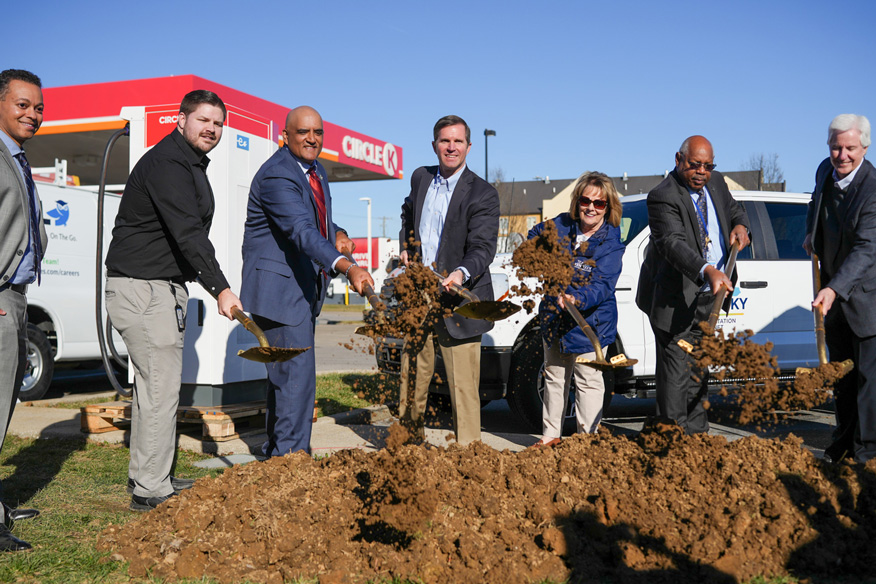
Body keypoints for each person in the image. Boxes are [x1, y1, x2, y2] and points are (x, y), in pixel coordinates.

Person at [105, 90, 243, 512]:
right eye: (203, 120)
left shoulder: (185, 162)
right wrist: (220, 287)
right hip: (144, 288)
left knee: (156, 390)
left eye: (218, 123)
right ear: (180, 119)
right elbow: (188, 233)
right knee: (161, 391)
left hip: (155, 288)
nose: (212, 129)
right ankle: (150, 488)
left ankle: (150, 475)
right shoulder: (168, 163)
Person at [241, 106, 372, 457]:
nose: (311, 138)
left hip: (298, 293)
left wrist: (339, 232)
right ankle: (292, 464)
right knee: (296, 381)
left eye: (317, 132)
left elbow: (315, 221)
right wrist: (347, 267)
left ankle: (277, 454)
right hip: (280, 294)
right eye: (302, 132)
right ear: (285, 136)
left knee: (285, 380)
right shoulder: (278, 175)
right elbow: (300, 231)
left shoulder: (315, 171)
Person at [635, 135, 750, 434]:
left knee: (699, 368)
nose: (702, 172)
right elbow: (672, 244)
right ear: (678, 159)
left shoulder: (717, 182)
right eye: (695, 165)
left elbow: (734, 210)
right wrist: (707, 270)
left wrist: (741, 225)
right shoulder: (663, 196)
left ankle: (697, 439)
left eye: (708, 166)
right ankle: (671, 441)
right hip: (673, 298)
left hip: (707, 300)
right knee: (675, 373)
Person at [397, 115, 500, 446]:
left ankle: (469, 455)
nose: (451, 147)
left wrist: (460, 272)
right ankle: (408, 447)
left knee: (463, 386)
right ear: (434, 145)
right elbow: (406, 214)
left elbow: (483, 248)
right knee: (411, 377)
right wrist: (406, 246)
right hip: (418, 294)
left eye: (458, 141)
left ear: (468, 146)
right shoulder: (420, 178)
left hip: (458, 297)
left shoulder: (483, 193)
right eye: (445, 141)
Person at [527, 172, 624, 446]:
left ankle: (586, 444)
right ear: (577, 201)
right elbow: (534, 235)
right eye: (585, 200)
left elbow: (603, 285)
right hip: (555, 318)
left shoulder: (610, 244)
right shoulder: (563, 225)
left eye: (599, 203)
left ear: (608, 206)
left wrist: (576, 298)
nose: (591, 208)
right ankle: (550, 438)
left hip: (588, 323)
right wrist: (542, 256)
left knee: (588, 382)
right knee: (555, 377)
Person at [803, 114, 876, 464]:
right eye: (836, 147)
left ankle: (867, 454)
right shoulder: (823, 171)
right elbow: (815, 205)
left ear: (864, 146)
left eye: (850, 148)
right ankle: (842, 445)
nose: (842, 155)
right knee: (843, 381)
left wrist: (834, 289)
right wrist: (809, 234)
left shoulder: (873, 189)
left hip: (866, 301)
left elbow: (867, 249)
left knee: (867, 384)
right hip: (834, 300)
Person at [0, 69, 47, 551]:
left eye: (38, 107)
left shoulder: (18, 158)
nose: (32, 114)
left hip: (15, 295)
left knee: (4, 402)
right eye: (22, 104)